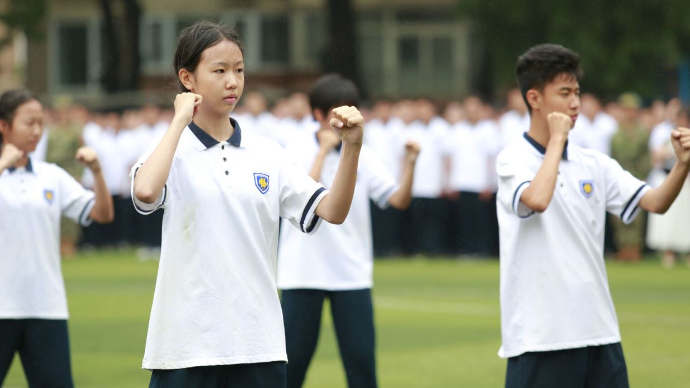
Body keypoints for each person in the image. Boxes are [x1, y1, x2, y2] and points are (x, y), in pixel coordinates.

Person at [130, 21, 364, 388]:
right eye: (219, 70)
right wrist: (178, 121)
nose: (232, 81)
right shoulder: (171, 151)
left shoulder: (268, 152)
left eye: (239, 70)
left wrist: (351, 148)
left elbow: (333, 211)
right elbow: (145, 192)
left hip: (259, 345)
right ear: (187, 79)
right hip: (186, 347)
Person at [496, 44, 690, 388]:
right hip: (542, 338)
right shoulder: (513, 160)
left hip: (599, 332)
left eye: (578, 93)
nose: (575, 103)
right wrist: (556, 140)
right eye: (564, 92)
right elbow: (537, 199)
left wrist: (682, 164)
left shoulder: (595, 163)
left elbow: (656, 202)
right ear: (535, 98)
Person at [277, 74, 419, 388]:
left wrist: (410, 164)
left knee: (362, 367)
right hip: (302, 272)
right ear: (317, 115)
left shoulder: (361, 154)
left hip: (350, 273)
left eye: (349, 109)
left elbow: (397, 200)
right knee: (292, 366)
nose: (344, 118)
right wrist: (322, 151)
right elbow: (302, 198)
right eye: (334, 112)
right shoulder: (295, 148)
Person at [0, 89, 114, 387]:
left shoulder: (52, 176)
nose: (37, 130)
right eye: (29, 122)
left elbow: (102, 214)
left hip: (46, 307)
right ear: (4, 125)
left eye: (41, 122)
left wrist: (97, 171)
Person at [609, 92, 651, 261]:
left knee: (637, 216)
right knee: (618, 216)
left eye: (632, 109)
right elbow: (613, 157)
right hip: (620, 178)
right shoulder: (616, 134)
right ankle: (622, 249)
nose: (629, 113)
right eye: (626, 109)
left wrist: (642, 174)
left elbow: (646, 158)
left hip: (636, 176)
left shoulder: (642, 133)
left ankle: (634, 250)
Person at [646, 107, 690, 268]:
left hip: (687, 180)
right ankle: (668, 252)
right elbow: (656, 155)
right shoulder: (662, 131)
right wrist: (673, 153)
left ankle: (686, 252)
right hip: (667, 176)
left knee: (685, 219)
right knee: (667, 218)